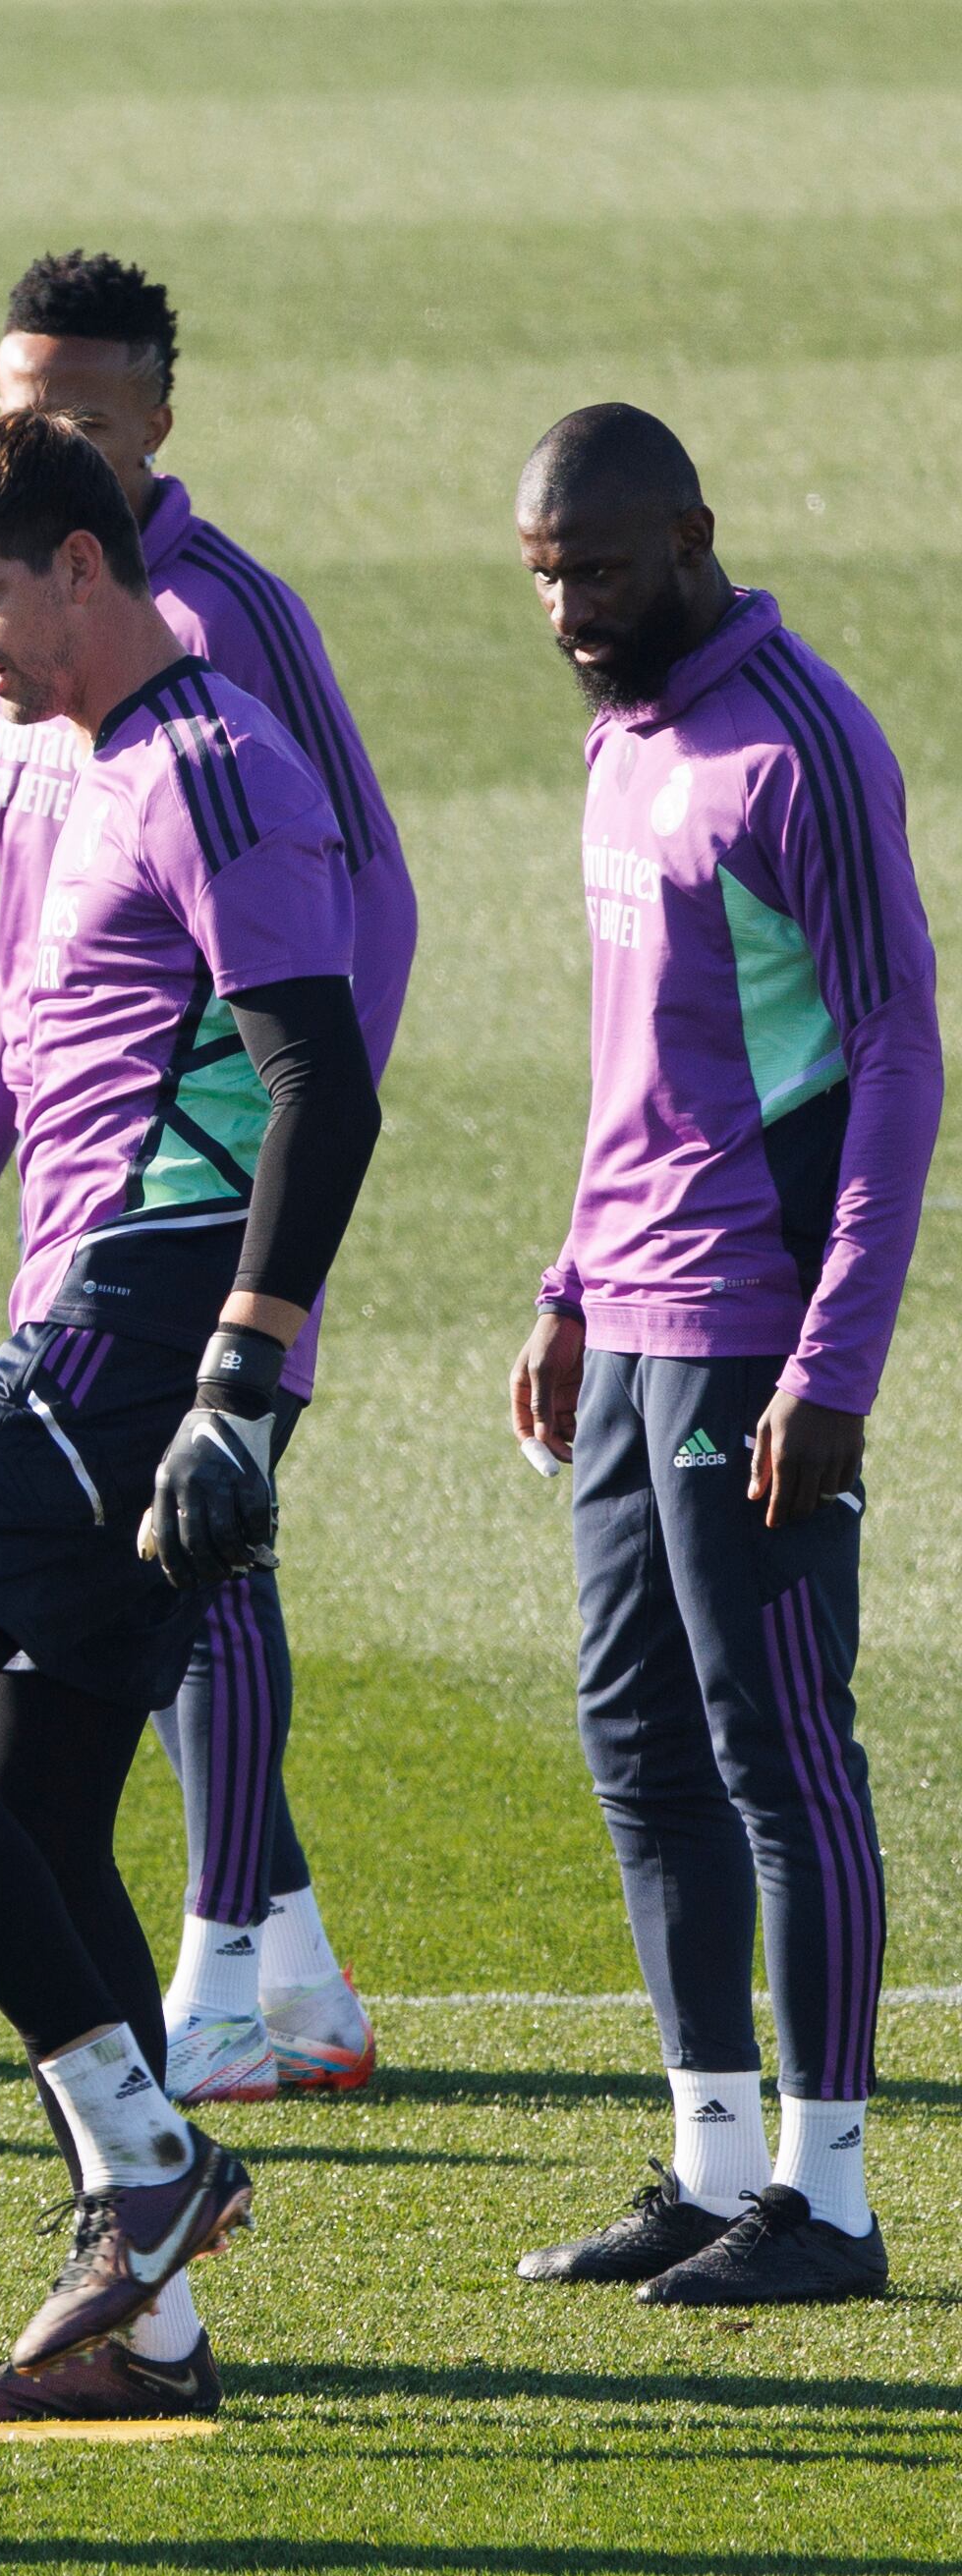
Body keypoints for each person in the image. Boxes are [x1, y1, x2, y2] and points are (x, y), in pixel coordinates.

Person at [0, 415, 382, 2423]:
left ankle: (148, 2168)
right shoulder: (100, 762)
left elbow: (328, 1081)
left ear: (82, 568)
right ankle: (151, 2329)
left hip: (139, 1333)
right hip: (108, 1313)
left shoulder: (214, 765)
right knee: (38, 1798)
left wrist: (237, 1368)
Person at [0, 252, 418, 2105]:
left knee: (171, 1575)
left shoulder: (209, 637)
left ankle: (225, 1977)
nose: (54, 441)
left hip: (195, 1223)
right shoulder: (14, 639)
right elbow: (42, 948)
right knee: (68, 1704)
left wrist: (281, 1175)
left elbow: (356, 911)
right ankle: (218, 2053)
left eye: (87, 421)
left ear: (156, 429)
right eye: (27, 405)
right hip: (92, 1216)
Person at [505, 406, 933, 2308]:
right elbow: (638, 1056)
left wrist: (830, 1369)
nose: (571, 607)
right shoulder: (628, 735)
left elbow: (900, 1064)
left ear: (690, 536)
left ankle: (830, 2202)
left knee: (778, 1755)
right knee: (636, 1743)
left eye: (597, 566)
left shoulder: (797, 748)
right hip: (631, 1324)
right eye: (541, 575)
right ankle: (708, 2164)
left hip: (754, 1330)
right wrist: (568, 1284)